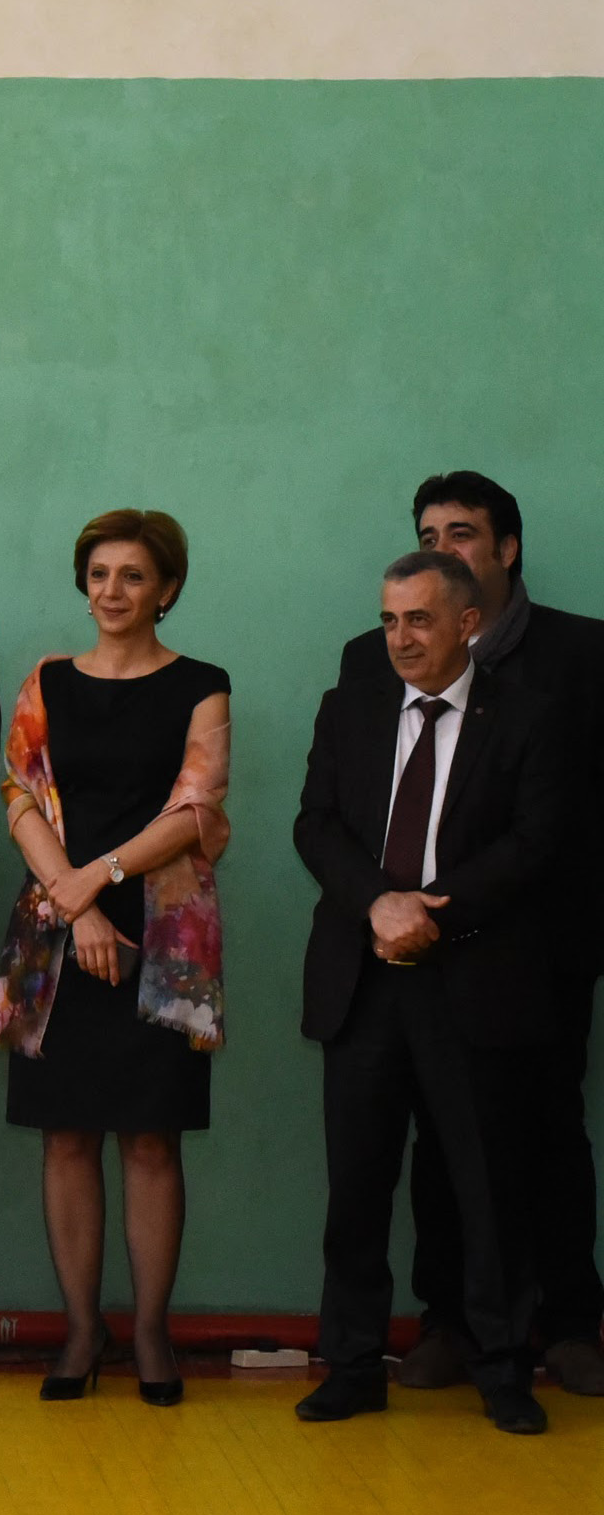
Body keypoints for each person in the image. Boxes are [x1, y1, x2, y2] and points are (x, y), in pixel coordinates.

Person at [293, 550, 566, 1435]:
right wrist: (379, 903)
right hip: (363, 977)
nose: (400, 638)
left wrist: (430, 913)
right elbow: (316, 826)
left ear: (468, 624)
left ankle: (502, 1367)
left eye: (418, 619)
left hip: (473, 979)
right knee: (356, 1185)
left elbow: (535, 842)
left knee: (487, 1187)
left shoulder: (526, 717)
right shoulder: (349, 708)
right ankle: (351, 1364)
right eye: (389, 620)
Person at [351, 474, 604, 1399]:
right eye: (427, 534)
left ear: (506, 550)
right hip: (416, 952)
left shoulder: (581, 654)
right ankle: (451, 1324)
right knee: (438, 1138)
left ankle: (569, 1324)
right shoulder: (373, 657)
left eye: (462, 533)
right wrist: (400, 911)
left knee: (549, 1129)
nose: (443, 547)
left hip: (542, 946)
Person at [0, 511, 231, 1408]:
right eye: (98, 574)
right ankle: (83, 1330)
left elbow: (197, 808)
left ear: (167, 589)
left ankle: (152, 1333)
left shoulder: (203, 686)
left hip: (163, 939)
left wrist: (98, 879)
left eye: (133, 575)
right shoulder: (46, 680)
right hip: (59, 936)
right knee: (66, 1136)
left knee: (152, 1138)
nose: (113, 591)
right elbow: (19, 797)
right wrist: (76, 902)